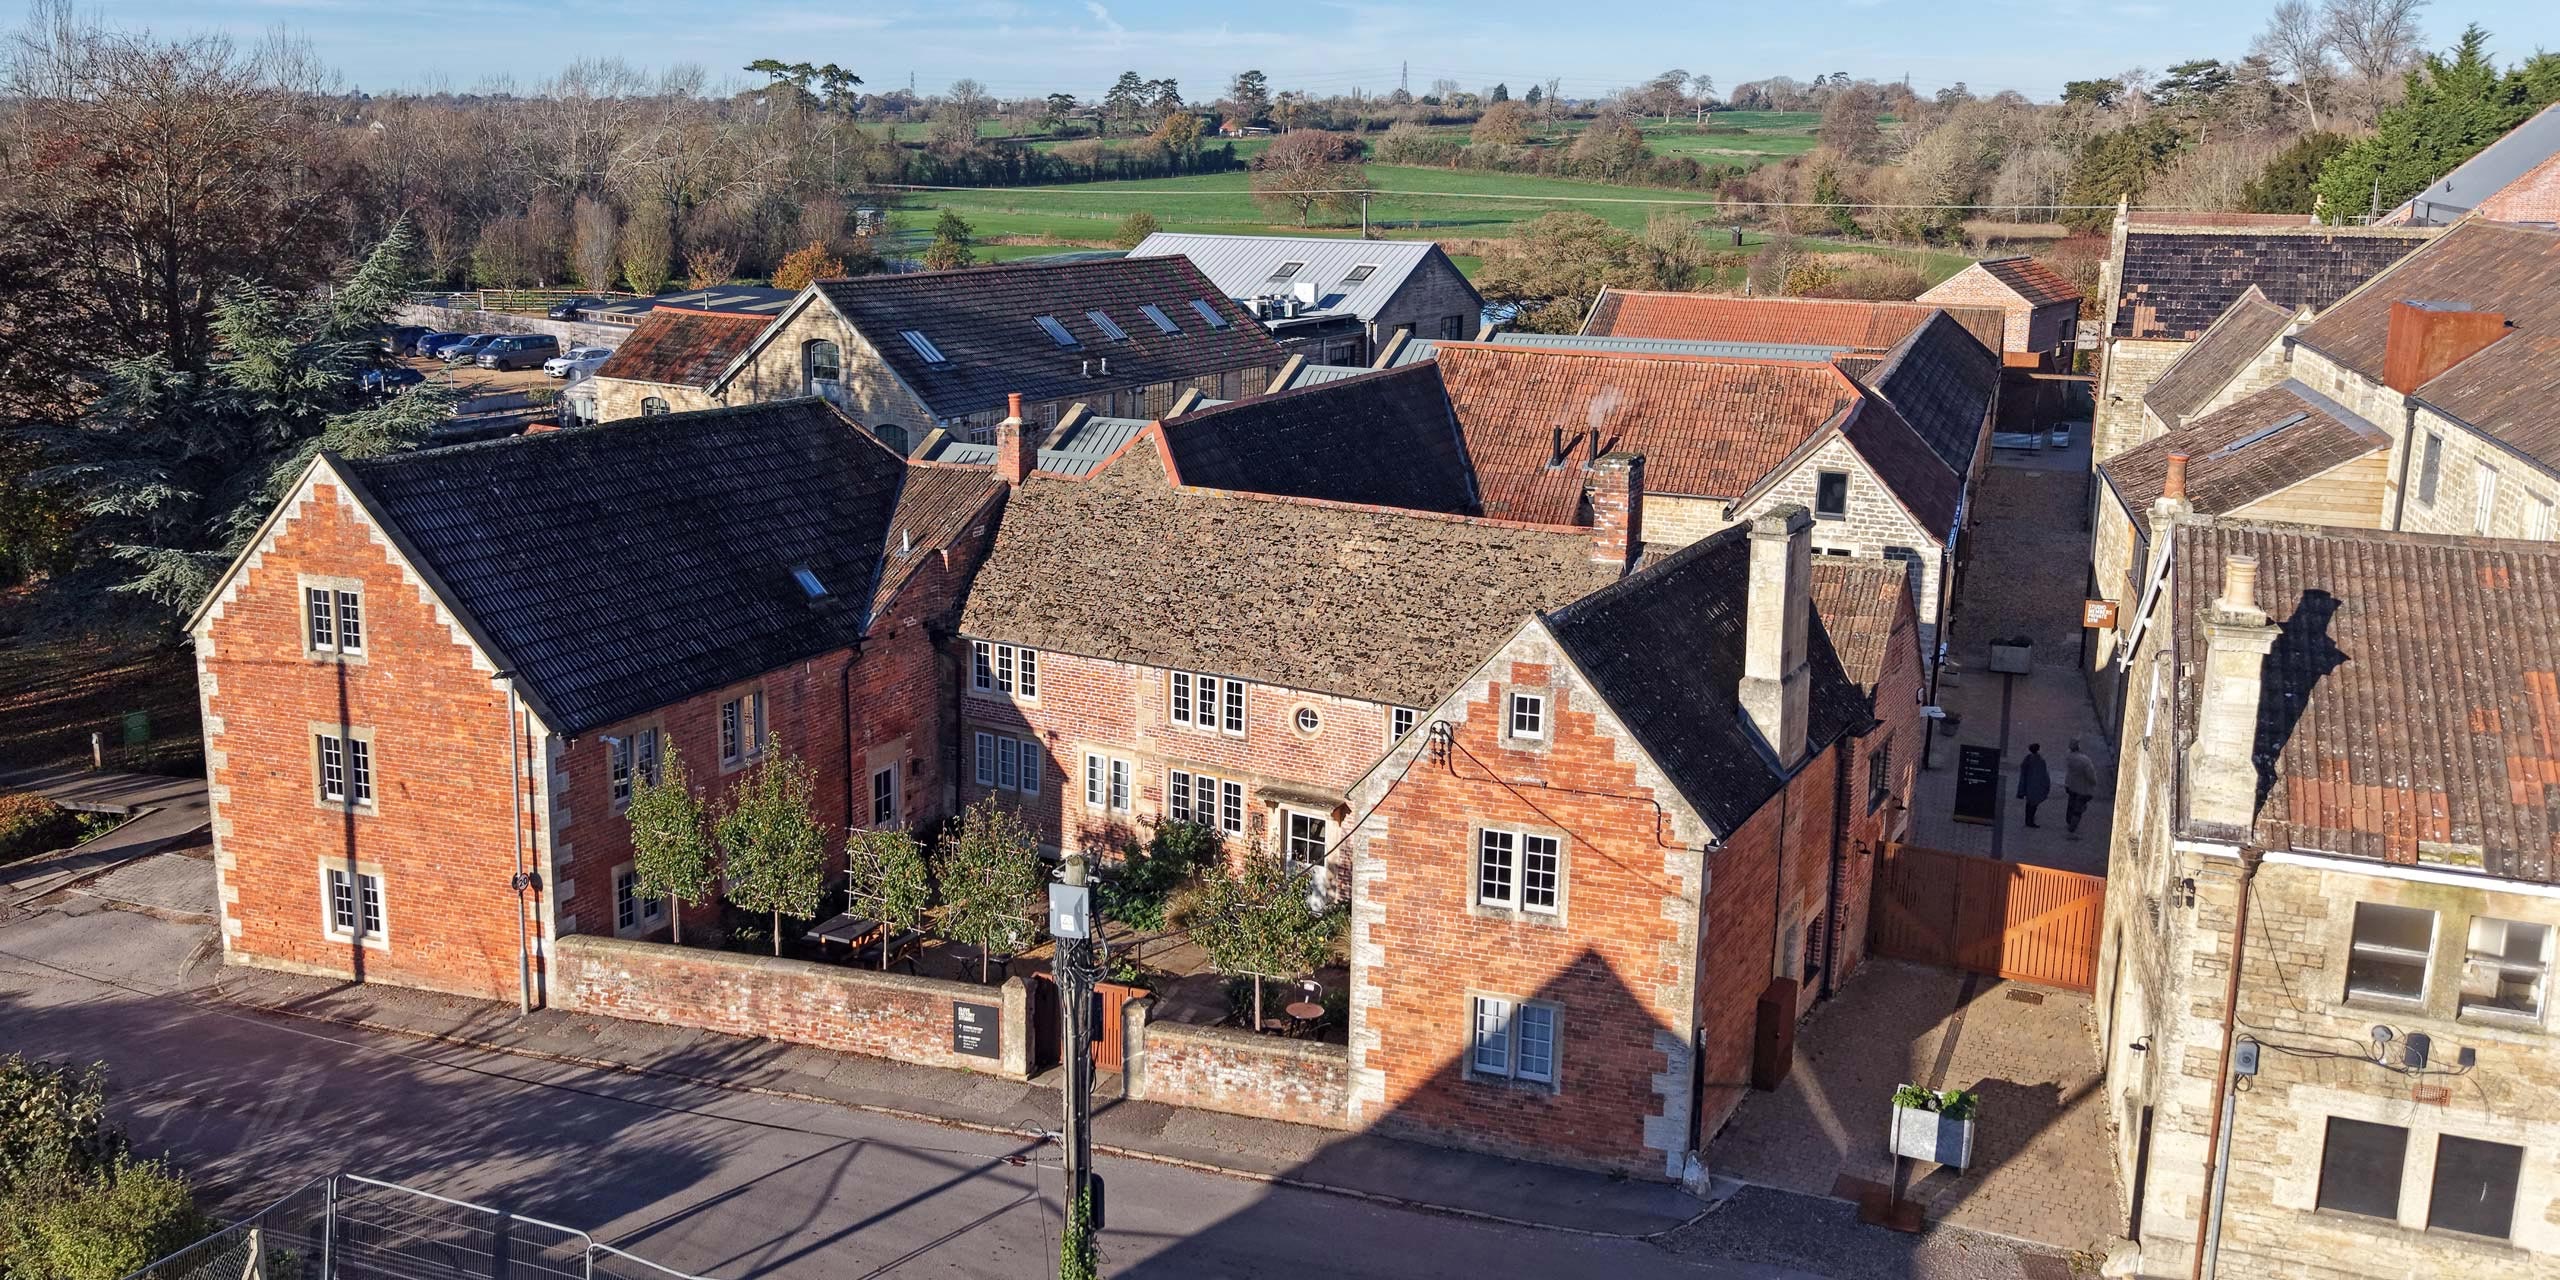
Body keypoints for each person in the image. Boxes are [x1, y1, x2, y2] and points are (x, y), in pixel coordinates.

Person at [2065, 738, 2102, 838]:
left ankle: (2069, 821)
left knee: (2071, 804)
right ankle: (2072, 827)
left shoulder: (2069, 757)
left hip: (2071, 785)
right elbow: (2091, 776)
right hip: (2083, 788)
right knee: (2078, 808)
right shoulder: (2085, 761)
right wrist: (2094, 783)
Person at [2016, 742, 2052, 829]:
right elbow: (2043, 774)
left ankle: (2028, 819)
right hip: (2036, 785)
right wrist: (2046, 785)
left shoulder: (2027, 759)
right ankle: (2030, 820)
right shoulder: (2040, 761)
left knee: (2029, 803)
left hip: (2028, 784)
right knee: (2034, 804)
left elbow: (2023, 770)